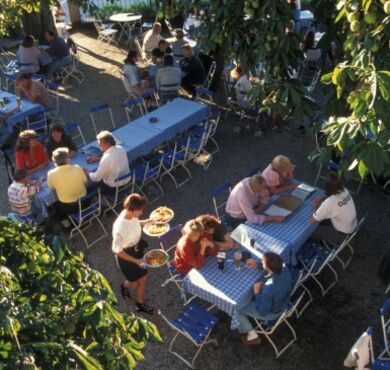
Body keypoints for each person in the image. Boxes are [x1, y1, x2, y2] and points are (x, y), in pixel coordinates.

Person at [112, 193, 156, 314]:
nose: (141, 213)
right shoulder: (119, 228)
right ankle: (125, 286)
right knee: (134, 283)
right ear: (131, 210)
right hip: (126, 256)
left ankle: (139, 304)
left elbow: (135, 222)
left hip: (137, 249)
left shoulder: (129, 214)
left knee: (144, 279)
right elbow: (117, 251)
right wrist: (136, 261)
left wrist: (146, 222)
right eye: (140, 211)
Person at [238, 252, 293, 345]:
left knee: (236, 308)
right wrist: (257, 265)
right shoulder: (284, 268)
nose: (261, 262)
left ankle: (252, 336)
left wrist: (257, 292)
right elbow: (273, 271)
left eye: (262, 262)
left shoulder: (269, 289)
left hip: (272, 313)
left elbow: (262, 310)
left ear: (268, 267)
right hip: (284, 302)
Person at [310, 172, 358, 244]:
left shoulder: (329, 202)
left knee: (310, 231)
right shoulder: (344, 189)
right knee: (324, 216)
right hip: (353, 225)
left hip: (342, 234)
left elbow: (313, 220)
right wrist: (323, 198)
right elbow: (334, 197)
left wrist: (315, 207)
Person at [47, 147, 87, 220]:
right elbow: (85, 182)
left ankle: (66, 223)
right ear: (67, 159)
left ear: (54, 161)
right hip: (85, 202)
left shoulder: (51, 174)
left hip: (69, 207)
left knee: (54, 204)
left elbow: (52, 189)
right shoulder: (77, 167)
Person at [86, 130, 130, 195]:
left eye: (100, 143)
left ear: (108, 143)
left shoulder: (106, 158)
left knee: (90, 186)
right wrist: (98, 158)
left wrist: (88, 173)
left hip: (114, 187)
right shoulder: (120, 148)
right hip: (127, 179)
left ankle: (94, 201)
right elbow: (113, 159)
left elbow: (96, 178)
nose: (99, 145)